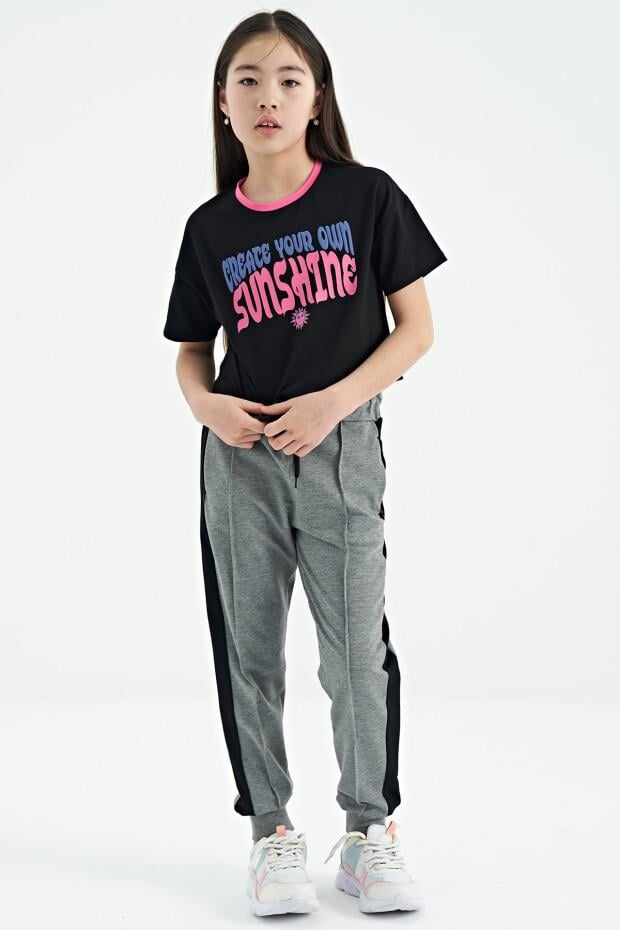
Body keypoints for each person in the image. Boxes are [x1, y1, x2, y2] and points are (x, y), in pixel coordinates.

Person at [163, 9, 447, 917]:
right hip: (238, 461)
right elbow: (190, 352)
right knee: (249, 651)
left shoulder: (367, 198)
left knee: (355, 651)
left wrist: (334, 401)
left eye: (289, 80)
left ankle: (369, 834)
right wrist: (206, 406)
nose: (269, 97)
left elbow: (416, 330)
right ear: (223, 101)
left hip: (342, 451)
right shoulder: (210, 227)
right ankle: (271, 836)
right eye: (248, 80)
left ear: (317, 97)